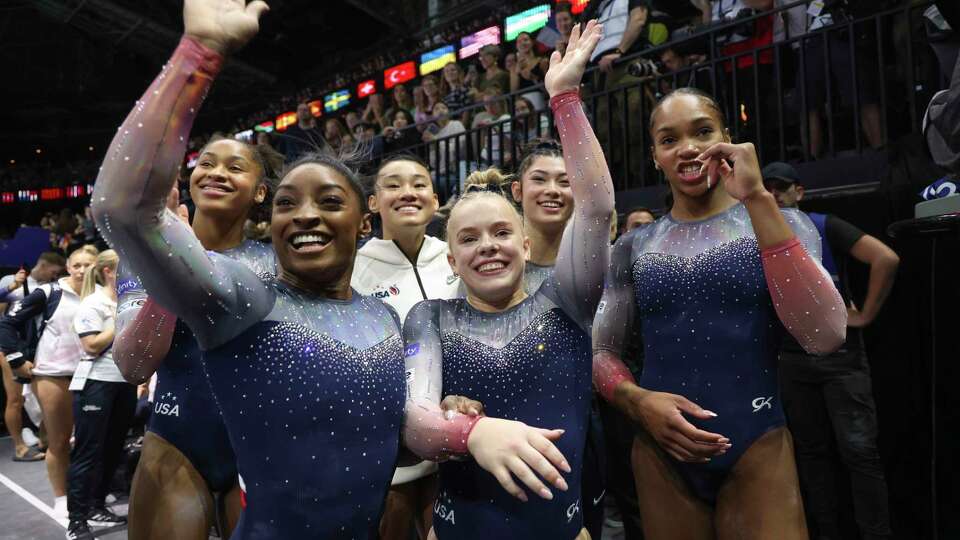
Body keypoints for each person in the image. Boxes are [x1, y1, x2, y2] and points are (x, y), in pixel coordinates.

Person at [90, 3, 482, 536]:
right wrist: (197, 55)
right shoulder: (247, 297)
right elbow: (122, 208)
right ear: (270, 221)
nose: (304, 214)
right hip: (190, 452)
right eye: (288, 203)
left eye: (327, 200)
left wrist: (466, 429)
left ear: (363, 221)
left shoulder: (386, 319)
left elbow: (412, 427)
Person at [592, 87, 847, 539]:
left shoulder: (784, 224)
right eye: (669, 140)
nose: (688, 148)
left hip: (756, 443)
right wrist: (638, 402)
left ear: (728, 138)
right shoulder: (633, 246)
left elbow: (824, 335)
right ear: (656, 156)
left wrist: (757, 198)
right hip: (660, 451)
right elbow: (600, 354)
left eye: (703, 132)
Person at [402, 20, 622, 539]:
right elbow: (414, 423)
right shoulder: (429, 318)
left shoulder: (565, 300)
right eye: (469, 239)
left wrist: (565, 98)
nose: (487, 247)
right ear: (451, 260)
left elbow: (595, 208)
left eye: (501, 232)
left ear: (525, 243)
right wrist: (471, 432)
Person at [114, 135, 279, 540]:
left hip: (261, 448)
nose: (217, 173)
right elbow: (133, 366)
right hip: (176, 440)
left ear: (260, 191)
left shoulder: (278, 261)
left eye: (235, 167)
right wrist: (173, 262)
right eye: (207, 163)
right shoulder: (143, 256)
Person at [763, 161, 897, 540]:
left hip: (840, 359)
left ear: (798, 192)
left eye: (781, 187)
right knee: (810, 455)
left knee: (859, 453)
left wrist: (866, 314)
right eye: (767, 187)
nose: (774, 194)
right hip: (790, 358)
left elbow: (885, 258)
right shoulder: (756, 237)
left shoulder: (823, 225)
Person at [351, 154, 466, 540]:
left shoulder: (456, 254)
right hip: (391, 445)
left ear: (434, 200)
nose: (407, 193)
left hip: (457, 435)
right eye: (394, 184)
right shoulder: (353, 267)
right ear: (373, 202)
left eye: (418, 184)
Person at [0, 245, 98, 518]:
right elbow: (7, 323)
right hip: (53, 375)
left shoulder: (102, 293)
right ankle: (61, 497)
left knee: (91, 441)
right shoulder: (50, 292)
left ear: (97, 267)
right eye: (76, 264)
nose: (81, 270)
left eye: (87, 265)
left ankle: (91, 494)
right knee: (59, 441)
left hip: (95, 374)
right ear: (68, 267)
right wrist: (17, 359)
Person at [66, 249, 136, 539]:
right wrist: (122, 317)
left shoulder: (130, 300)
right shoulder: (93, 303)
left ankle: (96, 506)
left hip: (125, 382)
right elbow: (92, 345)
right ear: (108, 272)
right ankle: (76, 521)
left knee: (113, 449)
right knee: (88, 452)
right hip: (98, 382)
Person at [0, 252, 65, 463]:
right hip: (10, 346)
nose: (55, 276)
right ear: (44, 265)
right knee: (15, 399)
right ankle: (19, 447)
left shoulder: (51, 287)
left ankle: (44, 439)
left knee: (44, 397)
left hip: (35, 346)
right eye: (54, 272)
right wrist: (11, 288)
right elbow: (2, 317)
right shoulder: (11, 281)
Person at [422, 101, 466, 196]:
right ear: (433, 115)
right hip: (441, 173)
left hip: (457, 171)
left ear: (449, 112)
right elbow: (434, 163)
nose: (440, 110)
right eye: (436, 109)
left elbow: (458, 150)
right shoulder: (434, 133)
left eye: (444, 108)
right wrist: (432, 145)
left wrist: (436, 140)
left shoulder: (456, 124)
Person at [509, 31, 550, 111]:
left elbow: (549, 87)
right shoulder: (514, 68)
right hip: (522, 105)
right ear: (516, 46)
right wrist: (517, 73)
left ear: (532, 42)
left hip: (540, 100)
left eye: (525, 40)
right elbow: (513, 93)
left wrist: (534, 78)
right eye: (519, 41)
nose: (523, 43)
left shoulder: (542, 61)